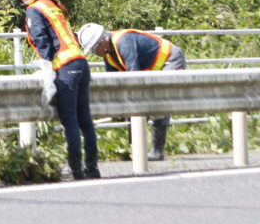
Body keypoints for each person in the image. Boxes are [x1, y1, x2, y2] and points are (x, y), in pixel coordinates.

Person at [14, 0, 100, 180]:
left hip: (65, 67)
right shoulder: (52, 4)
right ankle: (93, 168)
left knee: (70, 120)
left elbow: (43, 43)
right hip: (81, 63)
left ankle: (77, 170)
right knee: (85, 120)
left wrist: (46, 68)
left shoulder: (34, 10)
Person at [78, 23, 186, 161]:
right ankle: (135, 150)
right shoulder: (108, 55)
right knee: (133, 110)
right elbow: (113, 83)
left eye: (94, 49)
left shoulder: (123, 41)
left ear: (102, 42)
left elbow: (133, 76)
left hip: (170, 60)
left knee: (159, 103)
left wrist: (129, 104)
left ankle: (157, 151)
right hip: (152, 69)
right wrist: (118, 108)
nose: (94, 53)